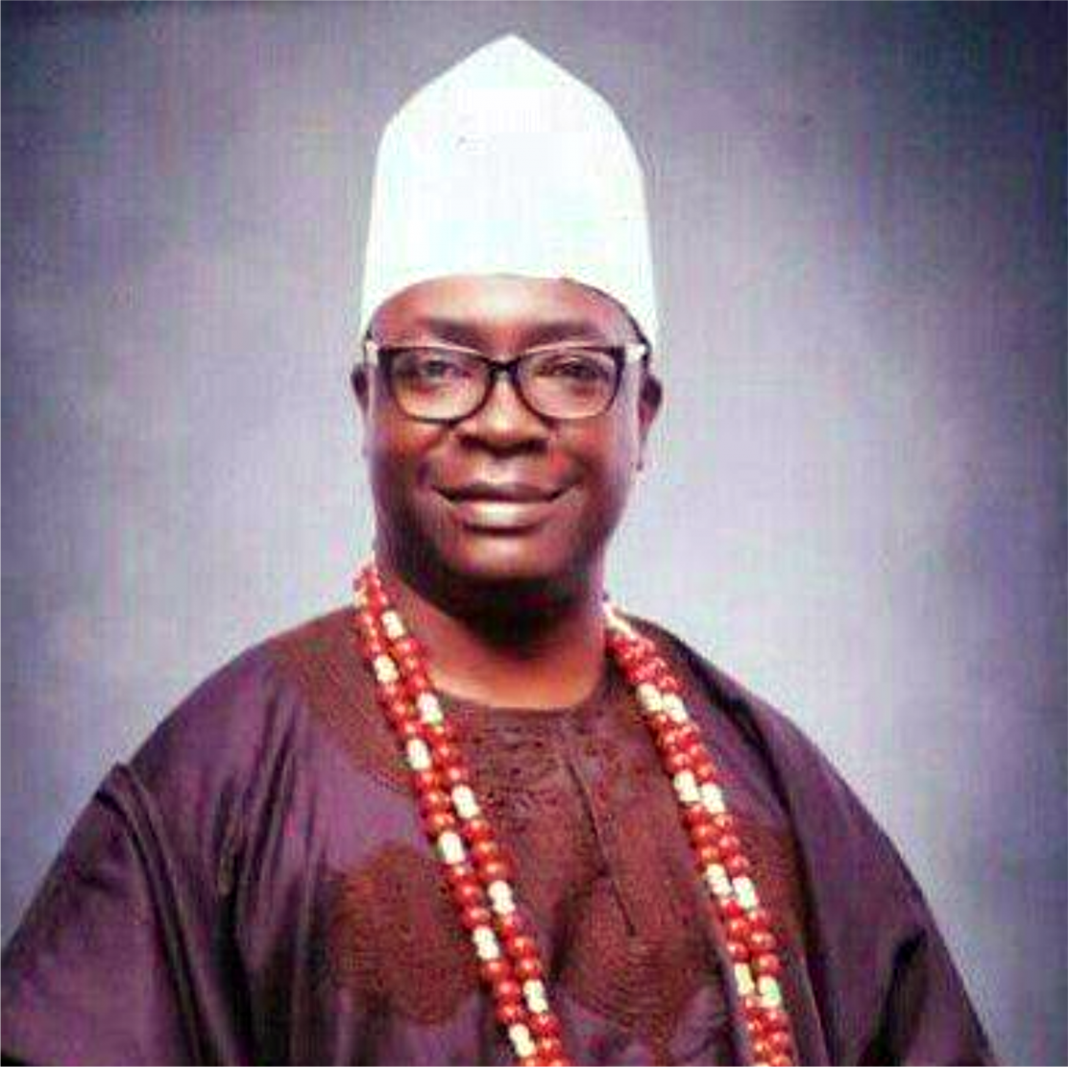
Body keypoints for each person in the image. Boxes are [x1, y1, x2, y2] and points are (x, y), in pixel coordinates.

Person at [0, 34, 997, 1067]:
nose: (504, 421)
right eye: (437, 366)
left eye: (569, 368)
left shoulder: (767, 780)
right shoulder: (222, 781)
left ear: (643, 415)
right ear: (368, 403)